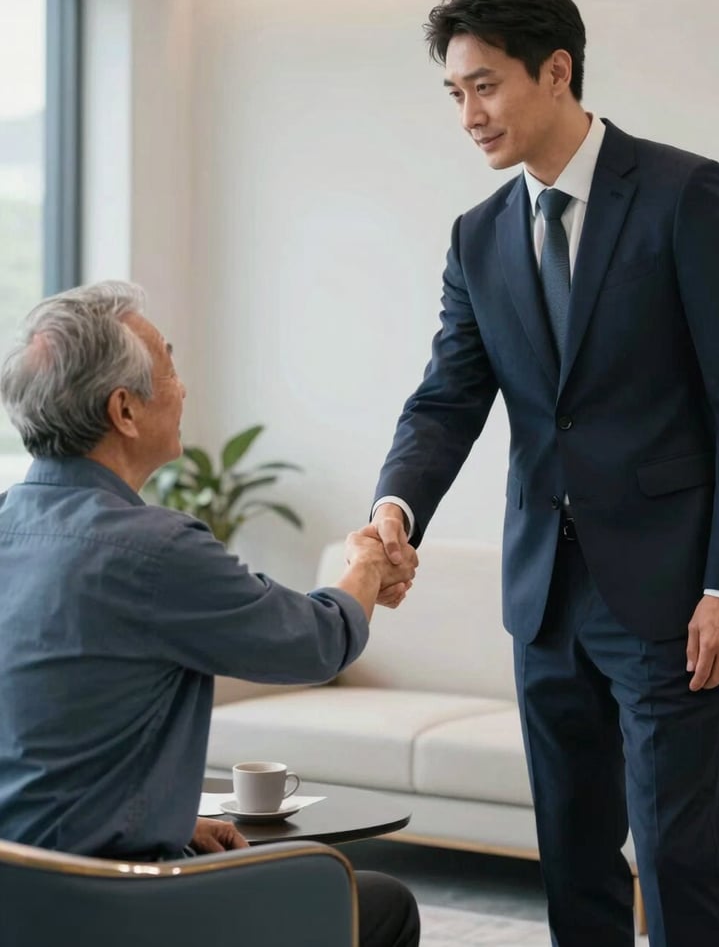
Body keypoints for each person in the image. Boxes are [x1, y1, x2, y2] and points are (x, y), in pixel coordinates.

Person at [367, 0, 719, 947]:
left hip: (672, 595)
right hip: (543, 596)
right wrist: (395, 506)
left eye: (487, 85)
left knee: (674, 854)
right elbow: (447, 398)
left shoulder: (683, 193)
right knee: (573, 851)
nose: (469, 114)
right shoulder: (480, 237)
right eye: (455, 93)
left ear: (557, 71)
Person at [0, 280, 420, 947]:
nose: (183, 386)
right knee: (375, 901)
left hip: (22, 898)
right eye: (167, 364)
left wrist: (162, 817)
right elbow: (317, 641)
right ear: (124, 410)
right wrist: (367, 564)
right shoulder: (152, 550)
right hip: (113, 910)